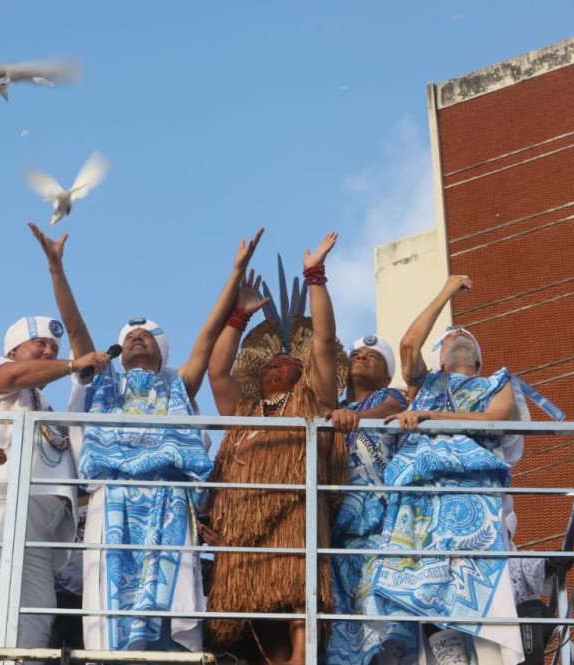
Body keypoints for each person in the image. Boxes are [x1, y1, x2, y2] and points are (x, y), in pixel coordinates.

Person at [69, 229, 265, 653]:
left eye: (146, 335)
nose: (136, 337)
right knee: (111, 607)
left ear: (160, 351)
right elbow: (75, 328)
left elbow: (208, 335)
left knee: (170, 607)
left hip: (169, 501)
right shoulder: (103, 383)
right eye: (129, 336)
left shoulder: (178, 384)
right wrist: (56, 268)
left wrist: (235, 273)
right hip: (114, 499)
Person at [369, 274, 564, 665]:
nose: (457, 333)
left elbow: (496, 418)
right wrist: (446, 291)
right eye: (448, 336)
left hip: (478, 513)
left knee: (487, 617)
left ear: (478, 361)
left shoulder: (496, 384)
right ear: (440, 360)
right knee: (432, 603)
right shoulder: (425, 385)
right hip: (423, 513)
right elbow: (408, 345)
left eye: (465, 335)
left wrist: (431, 417)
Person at [0, 225, 108, 665]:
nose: (50, 351)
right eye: (40, 344)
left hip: (41, 519)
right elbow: (15, 377)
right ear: (15, 350)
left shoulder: (48, 404)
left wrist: (58, 271)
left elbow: (82, 348)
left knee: (36, 606)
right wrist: (70, 363)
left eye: (54, 345)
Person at [206, 233, 347, 665]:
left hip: (296, 514)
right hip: (244, 520)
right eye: (268, 363)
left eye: (284, 362)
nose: (273, 365)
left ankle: (303, 656)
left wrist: (315, 276)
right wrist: (238, 317)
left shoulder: (311, 401)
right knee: (257, 607)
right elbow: (217, 372)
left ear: (302, 372)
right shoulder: (244, 410)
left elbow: (324, 342)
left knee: (298, 592)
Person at [325, 336, 411, 665]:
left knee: (379, 613)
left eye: (372, 356)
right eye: (357, 353)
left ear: (386, 376)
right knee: (344, 619)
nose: (361, 357)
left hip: (378, 524)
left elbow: (394, 408)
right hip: (338, 529)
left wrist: (356, 417)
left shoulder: (389, 396)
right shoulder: (333, 408)